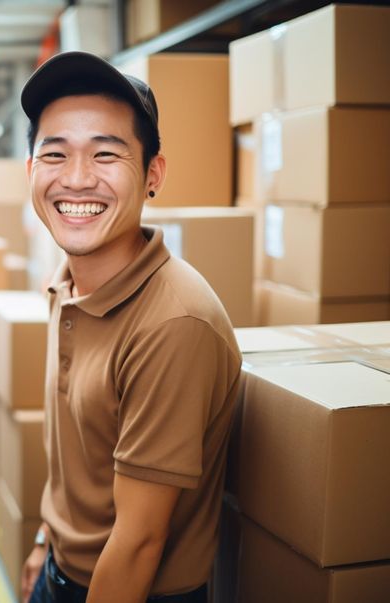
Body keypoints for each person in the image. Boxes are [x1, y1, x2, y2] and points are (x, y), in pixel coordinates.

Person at [18, 51, 242, 603]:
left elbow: (141, 541)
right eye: (55, 154)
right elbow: (79, 453)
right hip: (63, 571)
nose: (76, 179)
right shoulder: (68, 283)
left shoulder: (173, 323)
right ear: (30, 171)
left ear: (152, 174)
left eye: (105, 154)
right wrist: (48, 541)